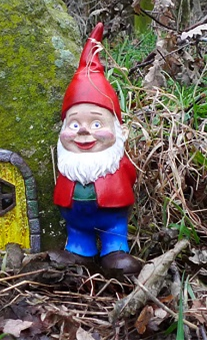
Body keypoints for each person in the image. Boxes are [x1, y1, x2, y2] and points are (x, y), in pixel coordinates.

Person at [52, 23, 142, 275]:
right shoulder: (68, 165)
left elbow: (131, 175)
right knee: (78, 234)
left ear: (120, 131)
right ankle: (79, 251)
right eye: (74, 124)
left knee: (114, 233)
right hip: (76, 220)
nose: (83, 131)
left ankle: (115, 251)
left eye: (96, 123)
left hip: (112, 217)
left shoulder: (114, 161)